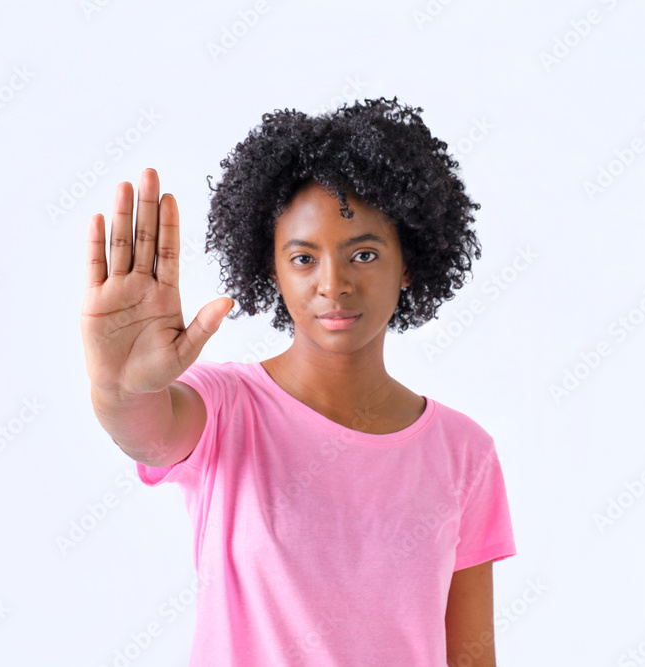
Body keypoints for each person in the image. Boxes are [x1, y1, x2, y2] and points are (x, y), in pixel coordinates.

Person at [81, 97, 516, 666]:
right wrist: (121, 388)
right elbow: (147, 430)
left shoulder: (465, 453)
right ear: (272, 268)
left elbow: (471, 658)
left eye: (363, 253)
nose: (333, 284)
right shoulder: (224, 411)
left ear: (409, 262)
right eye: (304, 258)